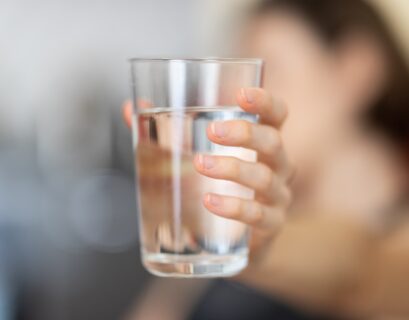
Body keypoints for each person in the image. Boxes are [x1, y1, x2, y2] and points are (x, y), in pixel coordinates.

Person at [123, 0, 409, 318]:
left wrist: (261, 248)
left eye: (269, 70)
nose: (233, 97)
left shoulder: (394, 230)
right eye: (233, 78)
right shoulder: (237, 215)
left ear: (357, 69)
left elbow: (360, 272)